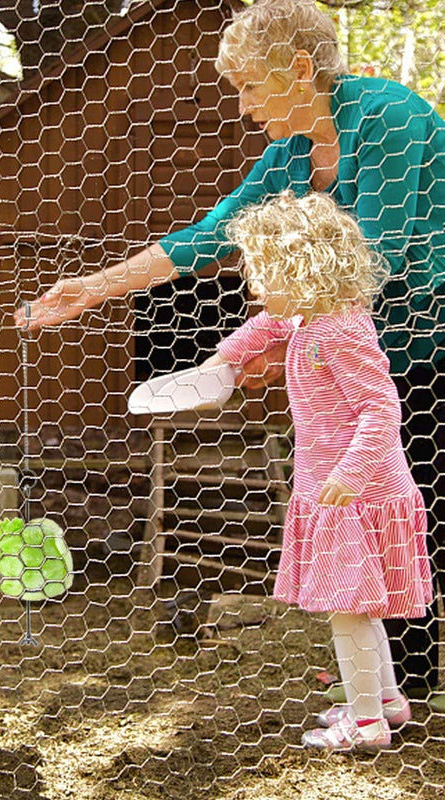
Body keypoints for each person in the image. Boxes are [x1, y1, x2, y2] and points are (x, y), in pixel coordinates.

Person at [12, 0, 445, 702]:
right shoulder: (292, 153)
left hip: (429, 345)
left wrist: (291, 345)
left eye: (249, 86)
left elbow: (374, 259)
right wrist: (93, 289)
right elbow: (212, 235)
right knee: (368, 514)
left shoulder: (388, 118)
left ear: (301, 70)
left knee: (418, 507)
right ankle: (398, 687)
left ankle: (400, 686)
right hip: (361, 353)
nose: (242, 108)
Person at [206, 190, 432, 751]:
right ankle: (384, 700)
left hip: (350, 496)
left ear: (302, 271)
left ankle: (366, 725)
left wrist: (351, 474)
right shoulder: (314, 316)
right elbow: (267, 326)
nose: (255, 288)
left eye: (263, 274)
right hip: (336, 490)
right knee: (361, 606)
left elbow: (382, 409)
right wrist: (223, 357)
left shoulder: (338, 333)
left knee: (347, 612)